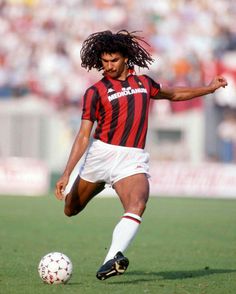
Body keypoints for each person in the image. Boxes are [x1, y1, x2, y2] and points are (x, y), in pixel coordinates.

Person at [55, 30, 228, 280]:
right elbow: (84, 135)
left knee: (137, 205)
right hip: (100, 155)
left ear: (126, 58)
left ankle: (110, 260)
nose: (109, 66)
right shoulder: (95, 92)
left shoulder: (144, 83)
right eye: (104, 62)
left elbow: (174, 94)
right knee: (70, 209)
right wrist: (67, 173)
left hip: (131, 159)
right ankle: (98, 187)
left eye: (113, 60)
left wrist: (208, 89)